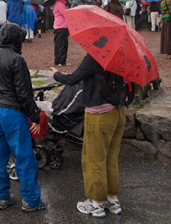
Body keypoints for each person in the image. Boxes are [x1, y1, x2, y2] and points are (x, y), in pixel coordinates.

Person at [51, 55, 127, 218]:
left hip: (99, 113)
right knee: (110, 158)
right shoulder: (119, 57)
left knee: (94, 159)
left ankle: (96, 203)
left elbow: (73, 79)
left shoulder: (95, 57)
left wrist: (56, 74)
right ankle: (112, 200)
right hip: (118, 111)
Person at [0, 23, 46, 213]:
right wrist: (34, 115)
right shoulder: (17, 60)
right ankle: (31, 200)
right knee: (24, 157)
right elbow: (24, 92)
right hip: (12, 112)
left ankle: (1, 197)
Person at [53, 0, 69, 66]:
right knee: (63, 44)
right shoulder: (60, 4)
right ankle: (62, 61)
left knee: (58, 44)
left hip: (58, 26)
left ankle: (57, 60)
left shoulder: (57, 3)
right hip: (62, 26)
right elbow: (65, 14)